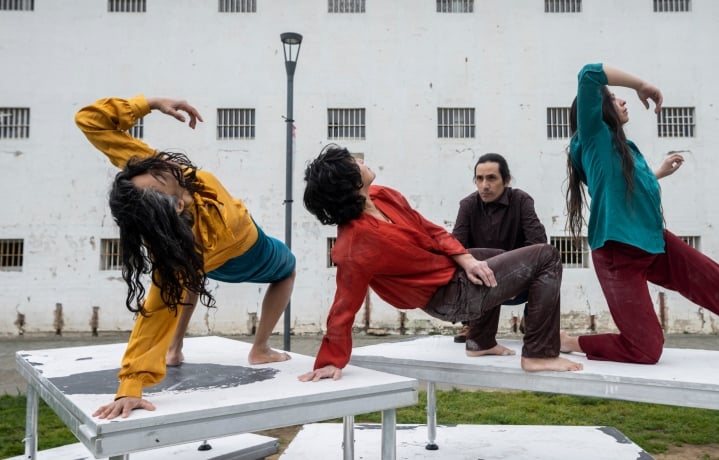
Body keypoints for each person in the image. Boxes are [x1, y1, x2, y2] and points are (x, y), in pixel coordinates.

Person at [560, 63, 719, 364]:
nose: (623, 101)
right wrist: (642, 85)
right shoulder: (593, 138)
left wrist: (657, 173)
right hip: (617, 252)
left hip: (652, 240)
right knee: (647, 349)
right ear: (598, 109)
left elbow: (623, 189)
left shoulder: (626, 149)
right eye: (614, 98)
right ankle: (570, 341)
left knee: (715, 279)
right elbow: (589, 73)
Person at [75, 95, 296, 418]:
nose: (167, 165)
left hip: (193, 256)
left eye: (157, 166)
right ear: (178, 205)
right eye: (166, 176)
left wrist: (149, 103)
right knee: (286, 269)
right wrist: (130, 387)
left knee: (187, 275)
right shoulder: (192, 244)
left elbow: (88, 120)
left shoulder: (149, 181)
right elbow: (152, 316)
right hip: (248, 250)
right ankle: (260, 348)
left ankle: (175, 349)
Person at [297, 145, 583, 382]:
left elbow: (428, 227)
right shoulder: (354, 244)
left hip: (452, 270)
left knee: (492, 256)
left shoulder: (382, 195)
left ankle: (480, 343)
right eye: (353, 162)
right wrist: (330, 360)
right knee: (547, 255)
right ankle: (539, 354)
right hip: (446, 295)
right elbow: (343, 306)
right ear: (349, 182)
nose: (360, 159)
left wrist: (466, 258)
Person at [451, 153, 548, 342]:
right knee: (451, 260)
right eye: (479, 179)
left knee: (548, 263)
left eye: (491, 178)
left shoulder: (521, 200)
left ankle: (533, 322)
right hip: (480, 281)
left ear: (506, 180)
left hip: (518, 281)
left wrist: (513, 278)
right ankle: (469, 323)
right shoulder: (468, 205)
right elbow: (457, 247)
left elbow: (537, 243)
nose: (484, 185)